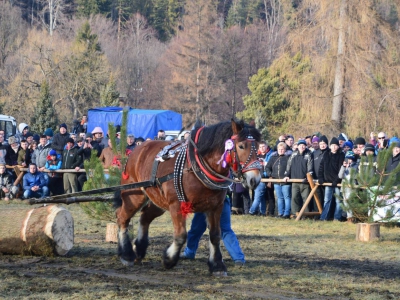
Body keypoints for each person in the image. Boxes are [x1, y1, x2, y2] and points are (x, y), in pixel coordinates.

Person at [181, 195, 245, 265]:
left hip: (220, 201)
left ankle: (238, 258)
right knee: (196, 229)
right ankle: (189, 252)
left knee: (225, 230)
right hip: (203, 203)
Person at [283, 139, 313, 217]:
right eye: (300, 145)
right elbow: (288, 165)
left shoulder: (308, 154)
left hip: (304, 181)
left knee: (306, 199)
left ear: (305, 146)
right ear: (298, 146)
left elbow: (310, 167)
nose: (302, 147)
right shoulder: (293, 154)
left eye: (303, 145)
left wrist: (308, 176)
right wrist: (287, 175)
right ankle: (294, 213)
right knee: (294, 198)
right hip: (294, 180)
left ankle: (305, 215)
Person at [318, 137, 345, 221]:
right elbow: (321, 167)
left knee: (338, 201)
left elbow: (341, 169)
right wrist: (320, 178)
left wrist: (337, 180)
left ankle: (337, 217)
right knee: (327, 200)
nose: (334, 147)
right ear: (330, 146)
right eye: (332, 145)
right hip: (327, 182)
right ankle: (324, 217)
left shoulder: (341, 155)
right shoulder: (326, 154)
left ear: (338, 146)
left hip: (337, 183)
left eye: (335, 145)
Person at [266, 142, 291, 218]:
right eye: (279, 149)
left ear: (285, 149)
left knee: (287, 197)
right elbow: (267, 167)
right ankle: (280, 213)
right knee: (279, 197)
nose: (280, 150)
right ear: (277, 149)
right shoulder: (273, 157)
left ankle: (286, 213)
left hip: (286, 182)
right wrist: (271, 174)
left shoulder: (288, 157)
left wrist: (287, 176)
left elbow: (290, 168)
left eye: (282, 149)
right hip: (276, 181)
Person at [249, 141, 274, 216]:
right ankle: (262, 211)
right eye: (260, 147)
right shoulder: (256, 156)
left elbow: (270, 167)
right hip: (257, 177)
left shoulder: (270, 155)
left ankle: (252, 211)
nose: (262, 148)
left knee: (260, 195)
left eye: (263, 146)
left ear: (266, 146)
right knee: (260, 195)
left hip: (266, 177)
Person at [339, 151, 358, 223]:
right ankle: (349, 217)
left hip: (351, 186)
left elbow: (355, 176)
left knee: (350, 202)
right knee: (345, 202)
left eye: (350, 159)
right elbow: (340, 176)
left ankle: (351, 218)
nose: (349, 160)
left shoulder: (355, 166)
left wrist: (350, 166)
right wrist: (343, 167)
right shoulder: (344, 166)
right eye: (347, 159)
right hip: (344, 186)